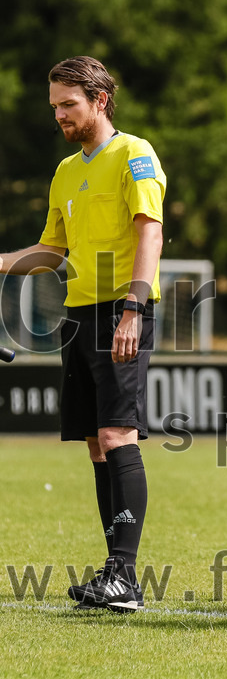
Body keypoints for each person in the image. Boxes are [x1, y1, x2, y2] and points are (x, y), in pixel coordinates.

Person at [0, 56, 165, 613]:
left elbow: (151, 233)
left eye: (68, 104)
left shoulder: (135, 154)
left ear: (100, 100)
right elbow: (53, 250)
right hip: (80, 315)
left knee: (119, 436)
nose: (60, 115)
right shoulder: (66, 169)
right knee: (97, 444)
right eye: (54, 107)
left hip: (124, 312)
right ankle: (114, 575)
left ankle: (123, 577)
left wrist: (133, 308)